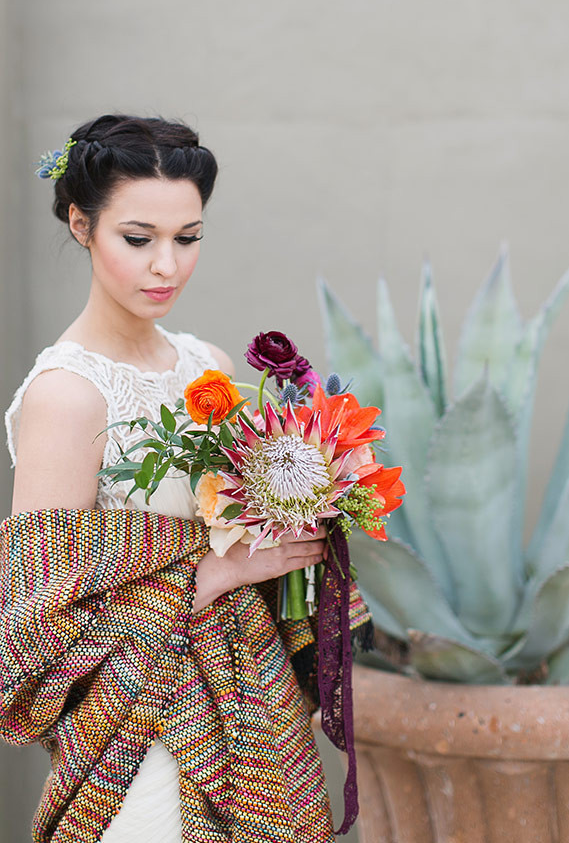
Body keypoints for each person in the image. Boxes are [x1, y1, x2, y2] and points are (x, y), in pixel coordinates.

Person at [3, 115, 336, 842]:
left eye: (187, 239)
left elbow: (245, 533)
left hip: (253, 709)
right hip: (141, 741)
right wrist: (211, 573)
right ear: (80, 224)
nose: (167, 265)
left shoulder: (206, 364)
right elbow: (35, 632)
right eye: (138, 238)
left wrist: (306, 506)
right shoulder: (68, 397)